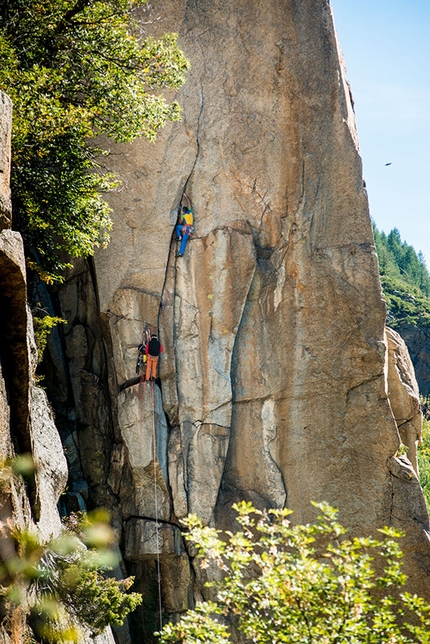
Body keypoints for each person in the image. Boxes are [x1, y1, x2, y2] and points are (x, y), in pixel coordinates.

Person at [175, 193, 194, 257]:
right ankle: (181, 253)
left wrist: (180, 215)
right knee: (184, 240)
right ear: (187, 210)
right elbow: (189, 203)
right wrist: (185, 196)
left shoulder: (183, 215)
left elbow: (180, 222)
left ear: (183, 211)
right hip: (191, 229)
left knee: (177, 227)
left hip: (186, 228)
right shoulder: (190, 213)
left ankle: (179, 236)